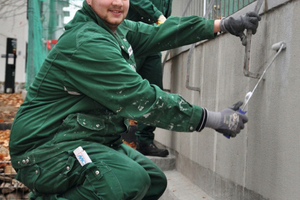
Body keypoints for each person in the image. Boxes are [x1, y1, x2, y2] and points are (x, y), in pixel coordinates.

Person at [9, 0, 260, 199]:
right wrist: (212, 119)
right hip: (43, 151)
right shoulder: (87, 42)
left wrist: (222, 24)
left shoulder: (114, 30)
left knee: (154, 180)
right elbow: (142, 99)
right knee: (130, 180)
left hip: (84, 138)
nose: (118, 3)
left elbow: (161, 33)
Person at [123, 0, 172, 157]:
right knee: (125, 88)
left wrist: (164, 20)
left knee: (154, 90)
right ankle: (118, 140)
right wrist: (158, 15)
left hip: (153, 39)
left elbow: (165, 8)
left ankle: (145, 141)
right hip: (133, 37)